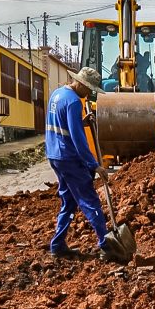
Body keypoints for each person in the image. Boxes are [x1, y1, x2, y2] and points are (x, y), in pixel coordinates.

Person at [44, 67, 110, 260]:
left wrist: (82, 122)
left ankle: (57, 244)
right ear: (80, 83)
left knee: (69, 201)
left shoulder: (58, 94)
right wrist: (94, 165)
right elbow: (78, 139)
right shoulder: (74, 102)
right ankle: (106, 245)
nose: (89, 93)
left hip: (54, 155)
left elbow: (63, 123)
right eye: (88, 89)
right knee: (90, 200)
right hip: (68, 157)